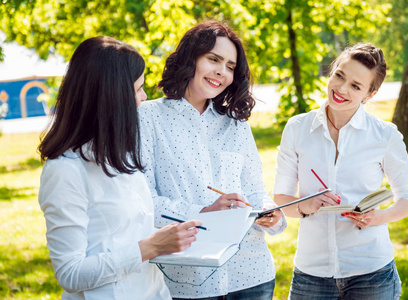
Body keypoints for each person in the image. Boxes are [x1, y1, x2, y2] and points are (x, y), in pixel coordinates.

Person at [38, 36, 201, 300]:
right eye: (138, 89)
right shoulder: (65, 171)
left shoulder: (120, 155)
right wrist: (149, 247)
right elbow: (69, 274)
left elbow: (131, 232)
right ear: (112, 97)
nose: (144, 98)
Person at [138, 21, 286, 299]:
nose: (222, 71)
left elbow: (254, 189)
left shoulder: (236, 123)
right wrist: (204, 211)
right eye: (213, 59)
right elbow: (144, 203)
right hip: (188, 277)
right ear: (190, 58)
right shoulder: (148, 118)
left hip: (251, 273)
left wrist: (271, 212)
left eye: (230, 66)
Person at [273, 43, 408, 299]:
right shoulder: (297, 129)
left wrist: (378, 217)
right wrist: (307, 205)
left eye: (355, 86)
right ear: (331, 72)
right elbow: (281, 199)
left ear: (369, 94)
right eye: (339, 75)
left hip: (371, 271)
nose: (341, 89)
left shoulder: (385, 135)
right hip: (311, 272)